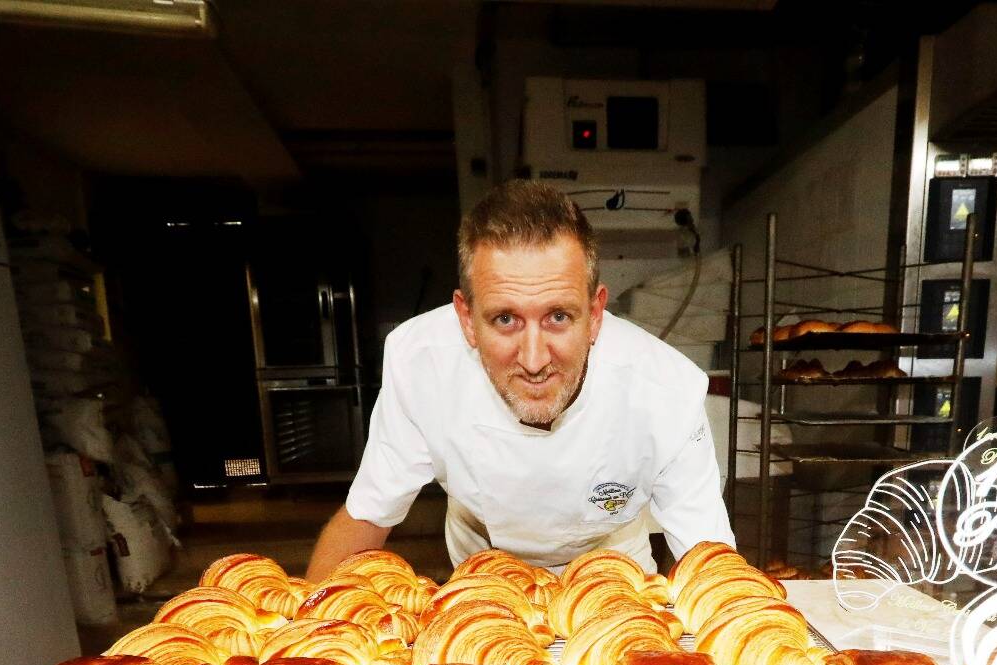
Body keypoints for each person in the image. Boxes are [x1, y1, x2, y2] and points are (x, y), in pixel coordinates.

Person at [304, 180, 734, 580]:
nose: (533, 360)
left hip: (615, 577)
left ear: (595, 314)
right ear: (467, 320)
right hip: (483, 578)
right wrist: (312, 625)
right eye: (505, 319)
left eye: (558, 316)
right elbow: (367, 515)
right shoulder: (422, 366)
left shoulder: (668, 392)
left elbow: (711, 564)